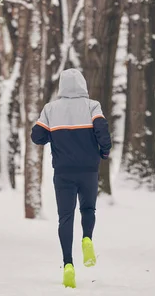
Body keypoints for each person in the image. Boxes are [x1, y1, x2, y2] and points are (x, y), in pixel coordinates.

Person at [31, 68, 112, 289]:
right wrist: (104, 153)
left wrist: (53, 135)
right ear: (83, 85)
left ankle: (68, 264)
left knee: (65, 218)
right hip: (88, 170)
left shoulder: (51, 109)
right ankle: (87, 238)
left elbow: (36, 136)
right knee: (88, 210)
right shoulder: (92, 106)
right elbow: (102, 131)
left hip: (63, 172)